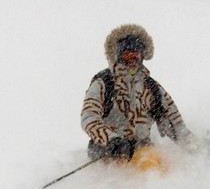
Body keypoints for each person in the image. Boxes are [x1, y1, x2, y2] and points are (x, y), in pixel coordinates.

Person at [81, 24, 194, 171]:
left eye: (136, 56)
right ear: (117, 56)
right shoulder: (104, 83)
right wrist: (112, 140)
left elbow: (175, 125)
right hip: (107, 152)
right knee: (138, 171)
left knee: (161, 168)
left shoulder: (152, 88)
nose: (132, 61)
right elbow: (89, 117)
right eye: (127, 56)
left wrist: (198, 147)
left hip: (142, 150)